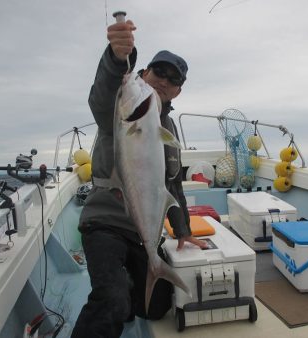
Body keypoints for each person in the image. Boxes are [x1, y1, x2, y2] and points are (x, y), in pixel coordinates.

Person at [71, 18, 207, 338]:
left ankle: (130, 276)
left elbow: (171, 186)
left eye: (173, 79)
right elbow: (102, 93)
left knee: (155, 307)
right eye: (159, 72)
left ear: (178, 90)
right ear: (143, 73)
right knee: (113, 302)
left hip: (141, 231)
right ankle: (116, 285)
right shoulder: (118, 110)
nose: (163, 81)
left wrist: (183, 232)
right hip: (104, 222)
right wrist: (117, 58)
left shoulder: (167, 131)